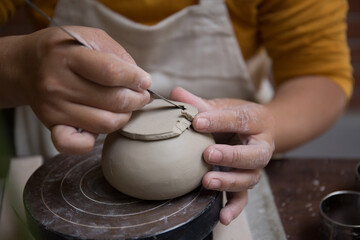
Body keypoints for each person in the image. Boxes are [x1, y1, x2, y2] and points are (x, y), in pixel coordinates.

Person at [0, 0, 353, 228]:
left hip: (227, 165)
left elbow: (320, 75)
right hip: (58, 146)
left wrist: (266, 124)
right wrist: (18, 68)